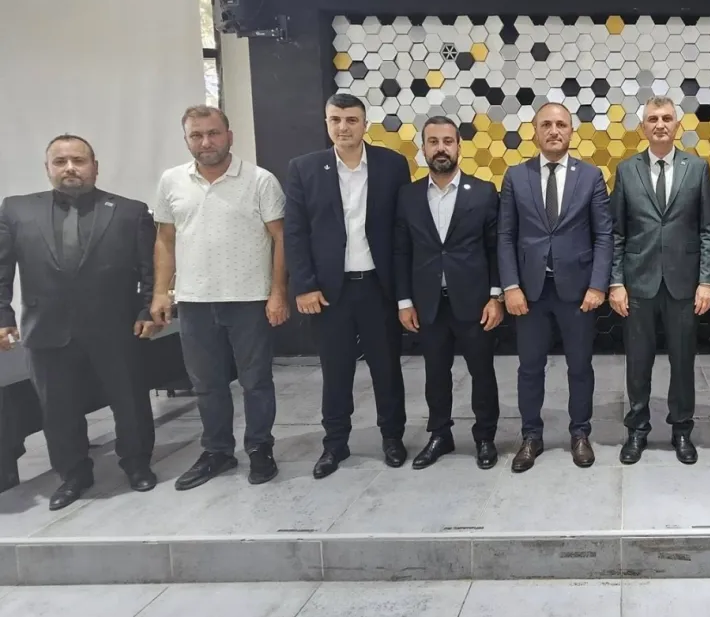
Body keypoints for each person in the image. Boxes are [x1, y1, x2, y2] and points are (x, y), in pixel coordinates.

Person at [0, 135, 158, 509]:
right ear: (48, 168)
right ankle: (73, 475)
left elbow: (149, 269)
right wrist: (3, 315)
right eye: (60, 161)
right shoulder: (17, 210)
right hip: (47, 329)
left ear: (94, 167)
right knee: (58, 409)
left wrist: (146, 310)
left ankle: (137, 465)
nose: (70, 168)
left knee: (130, 402)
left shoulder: (130, 211)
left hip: (116, 327)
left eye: (78, 160)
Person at [152, 105, 289, 490]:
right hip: (194, 301)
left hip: (249, 299)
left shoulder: (260, 180)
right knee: (206, 383)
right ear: (187, 140)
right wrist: (161, 291)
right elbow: (165, 240)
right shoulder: (172, 181)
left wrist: (278, 292)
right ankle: (217, 451)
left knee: (256, 381)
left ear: (229, 136)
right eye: (196, 135)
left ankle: (259, 447)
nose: (206, 142)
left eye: (213, 133)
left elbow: (281, 239)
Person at [284, 93, 410, 479]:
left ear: (364, 124)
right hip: (329, 292)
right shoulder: (304, 169)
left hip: (378, 287)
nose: (343, 127)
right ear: (326, 123)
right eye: (335, 119)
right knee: (335, 372)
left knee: (387, 369)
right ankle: (335, 443)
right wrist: (303, 286)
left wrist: (404, 292)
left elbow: (402, 231)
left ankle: (392, 437)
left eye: (351, 120)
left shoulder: (392, 165)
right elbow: (295, 232)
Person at [497, 102, 612, 472]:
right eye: (546, 124)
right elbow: (505, 236)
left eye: (561, 124)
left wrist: (598, 285)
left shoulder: (590, 176)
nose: (554, 131)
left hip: (578, 292)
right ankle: (531, 435)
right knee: (529, 367)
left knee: (580, 366)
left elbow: (604, 235)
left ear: (571, 131)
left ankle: (580, 433)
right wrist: (510, 286)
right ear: (535, 132)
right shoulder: (516, 176)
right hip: (529, 292)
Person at [609, 96, 710, 465]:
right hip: (638, 283)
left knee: (683, 361)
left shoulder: (697, 168)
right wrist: (615, 282)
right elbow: (617, 232)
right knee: (638, 362)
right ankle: (637, 429)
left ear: (677, 125)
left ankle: (681, 429)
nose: (660, 124)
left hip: (684, 284)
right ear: (643, 127)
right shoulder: (627, 170)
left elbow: (708, 230)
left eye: (666, 118)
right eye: (653, 119)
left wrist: (707, 281)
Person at [395, 116, 504, 470]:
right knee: (435, 373)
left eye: (447, 141)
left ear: (459, 146)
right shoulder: (408, 195)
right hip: (427, 303)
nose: (440, 148)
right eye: (433, 142)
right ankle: (440, 434)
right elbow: (401, 251)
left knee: (482, 372)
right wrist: (404, 301)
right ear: (423, 148)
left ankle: (485, 437)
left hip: (475, 302)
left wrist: (496, 296)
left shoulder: (484, 192)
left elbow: (495, 247)